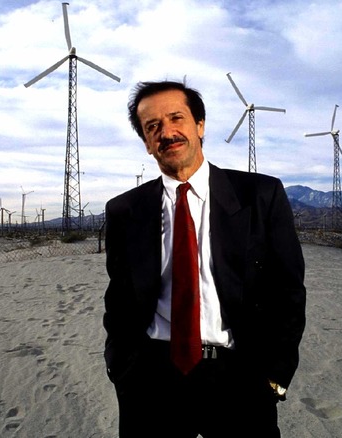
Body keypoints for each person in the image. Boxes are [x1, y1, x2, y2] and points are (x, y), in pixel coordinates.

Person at [103, 80, 307, 437]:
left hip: (241, 378)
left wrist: (275, 376)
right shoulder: (124, 210)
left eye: (176, 118)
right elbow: (119, 299)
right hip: (150, 380)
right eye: (153, 127)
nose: (166, 132)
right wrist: (120, 368)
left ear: (200, 125)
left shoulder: (260, 195)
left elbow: (288, 290)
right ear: (147, 143)